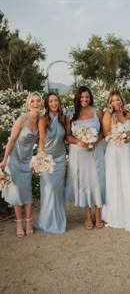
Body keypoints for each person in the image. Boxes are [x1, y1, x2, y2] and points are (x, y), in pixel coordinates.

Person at [0, 92, 43, 237]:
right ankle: (19, 223)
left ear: (41, 103)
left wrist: (40, 157)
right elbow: (11, 140)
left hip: (27, 161)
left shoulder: (41, 121)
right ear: (28, 104)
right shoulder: (21, 120)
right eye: (33, 101)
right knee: (16, 192)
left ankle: (29, 222)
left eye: (38, 101)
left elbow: (40, 141)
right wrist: (5, 160)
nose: (36, 104)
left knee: (27, 192)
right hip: (14, 160)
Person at [102, 90, 130, 231]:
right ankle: (114, 215)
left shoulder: (129, 114)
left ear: (121, 100)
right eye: (113, 100)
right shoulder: (108, 115)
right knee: (114, 181)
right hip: (114, 151)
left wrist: (128, 135)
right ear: (109, 102)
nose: (115, 102)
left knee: (128, 180)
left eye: (118, 100)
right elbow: (106, 133)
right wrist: (117, 136)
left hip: (127, 151)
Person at [65, 86, 105, 229]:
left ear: (90, 98)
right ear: (77, 98)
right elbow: (67, 136)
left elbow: (104, 131)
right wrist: (79, 141)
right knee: (84, 182)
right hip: (79, 153)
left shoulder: (98, 111)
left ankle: (98, 214)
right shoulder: (71, 114)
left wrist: (96, 140)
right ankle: (88, 215)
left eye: (87, 97)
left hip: (96, 151)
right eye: (82, 97)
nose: (84, 100)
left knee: (97, 180)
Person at [35, 93, 66, 233]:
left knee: (57, 190)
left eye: (56, 100)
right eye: (51, 101)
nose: (54, 103)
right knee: (50, 189)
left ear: (59, 102)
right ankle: (47, 221)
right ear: (47, 104)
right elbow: (41, 140)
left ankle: (58, 219)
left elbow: (68, 136)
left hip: (60, 157)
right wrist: (41, 158)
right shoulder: (43, 119)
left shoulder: (63, 118)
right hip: (48, 158)